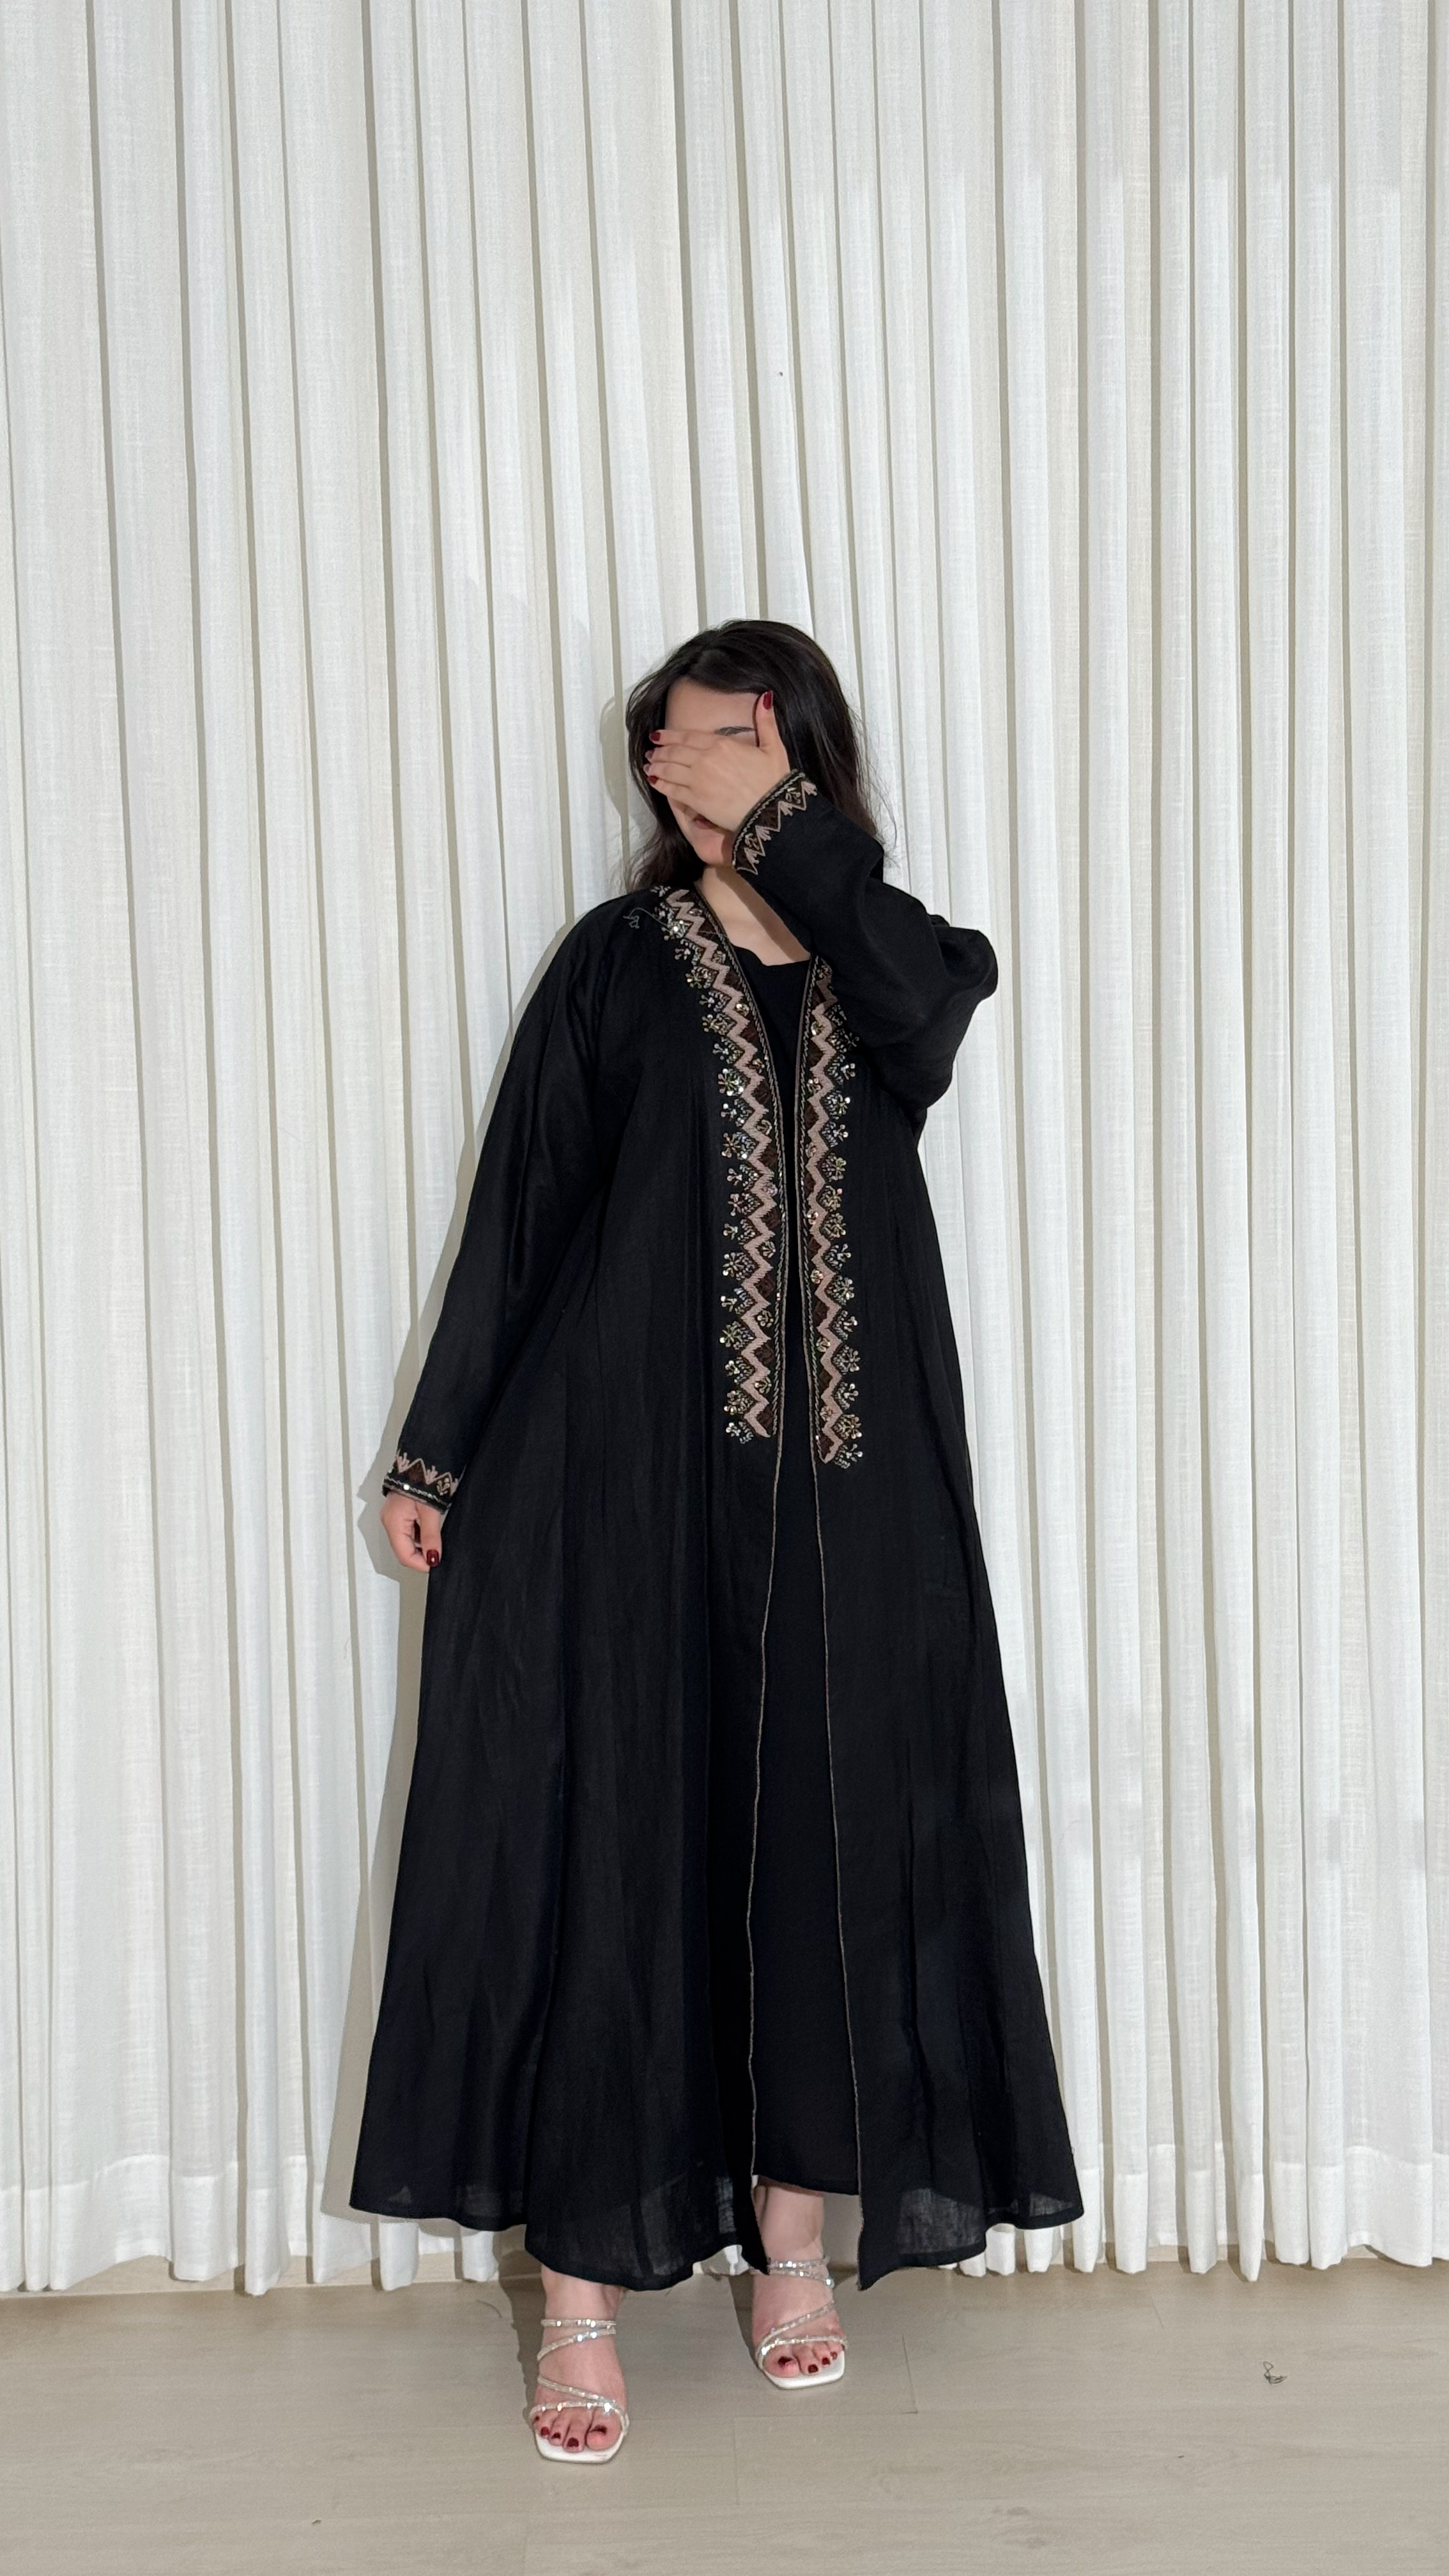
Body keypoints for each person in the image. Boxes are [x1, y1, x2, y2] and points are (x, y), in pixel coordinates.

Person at [351, 619, 1084, 2463]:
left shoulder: (902, 962)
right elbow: (523, 1211)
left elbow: (920, 1032)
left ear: (802, 759)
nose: (683, 776)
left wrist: (786, 843)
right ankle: (581, 2300)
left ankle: (792, 2246)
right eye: (667, 751)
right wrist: (440, 1448)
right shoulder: (614, 967)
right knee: (618, 1855)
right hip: (615, 1487)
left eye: (727, 747)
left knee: (825, 1852)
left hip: (852, 1503)